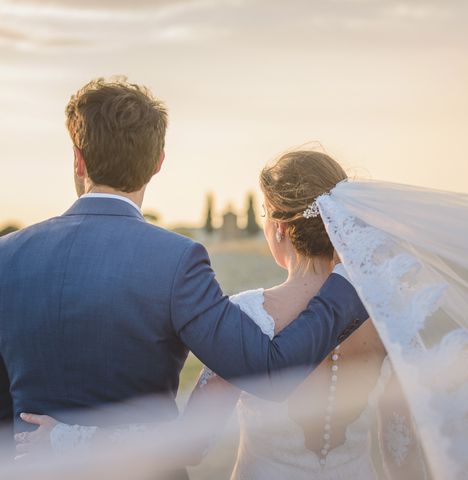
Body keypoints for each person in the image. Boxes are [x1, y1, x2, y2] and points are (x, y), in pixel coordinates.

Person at [0, 78, 369, 478]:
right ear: (159, 161)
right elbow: (267, 372)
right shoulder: (177, 260)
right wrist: (347, 283)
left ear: (78, 159)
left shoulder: (7, 256)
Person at [19, 152, 429, 479]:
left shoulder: (247, 316)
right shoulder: (389, 319)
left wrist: (69, 440)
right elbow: (402, 453)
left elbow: (189, 444)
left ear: (280, 227)